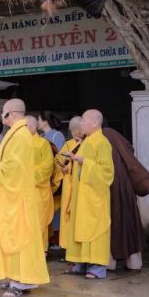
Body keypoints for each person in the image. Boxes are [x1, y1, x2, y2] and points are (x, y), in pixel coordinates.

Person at [0, 99, 49, 297]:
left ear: (11, 113)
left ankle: (22, 280)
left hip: (18, 198)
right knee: (11, 236)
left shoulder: (20, 136)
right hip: (10, 197)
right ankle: (14, 277)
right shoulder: (15, 134)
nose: (1, 116)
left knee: (20, 238)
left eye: (3, 112)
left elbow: (16, 170)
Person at [63, 109, 114, 280]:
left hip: (94, 196)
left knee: (95, 230)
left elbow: (107, 172)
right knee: (81, 228)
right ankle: (81, 263)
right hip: (82, 195)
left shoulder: (102, 142)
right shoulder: (87, 141)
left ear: (94, 123)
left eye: (84, 121)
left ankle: (97, 267)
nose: (81, 124)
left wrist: (84, 161)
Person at [103, 127, 149, 271]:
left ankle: (109, 262)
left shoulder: (99, 138)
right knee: (130, 224)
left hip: (109, 188)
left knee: (111, 225)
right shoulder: (115, 136)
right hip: (126, 187)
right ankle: (134, 262)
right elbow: (129, 150)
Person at [27, 116, 55, 251]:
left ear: (32, 128)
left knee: (39, 222)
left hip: (38, 190)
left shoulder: (43, 143)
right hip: (23, 191)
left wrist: (27, 174)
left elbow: (48, 167)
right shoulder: (20, 143)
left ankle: (41, 251)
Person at [57, 116, 84, 249]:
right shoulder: (69, 144)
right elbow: (58, 160)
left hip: (81, 185)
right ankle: (68, 247)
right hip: (69, 184)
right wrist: (63, 167)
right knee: (68, 215)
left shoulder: (88, 143)